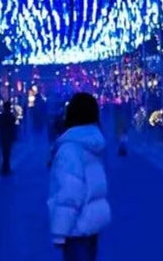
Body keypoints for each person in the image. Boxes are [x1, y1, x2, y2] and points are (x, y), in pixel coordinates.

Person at [47, 93, 111, 261]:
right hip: (91, 226)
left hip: (75, 228)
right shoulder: (92, 142)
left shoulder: (69, 149)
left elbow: (70, 193)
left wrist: (60, 232)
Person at [0, 101, 16, 176]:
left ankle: (5, 167)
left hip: (3, 136)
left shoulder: (2, 116)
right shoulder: (11, 116)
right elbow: (13, 126)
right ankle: (6, 167)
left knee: (4, 152)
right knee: (7, 153)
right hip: (8, 136)